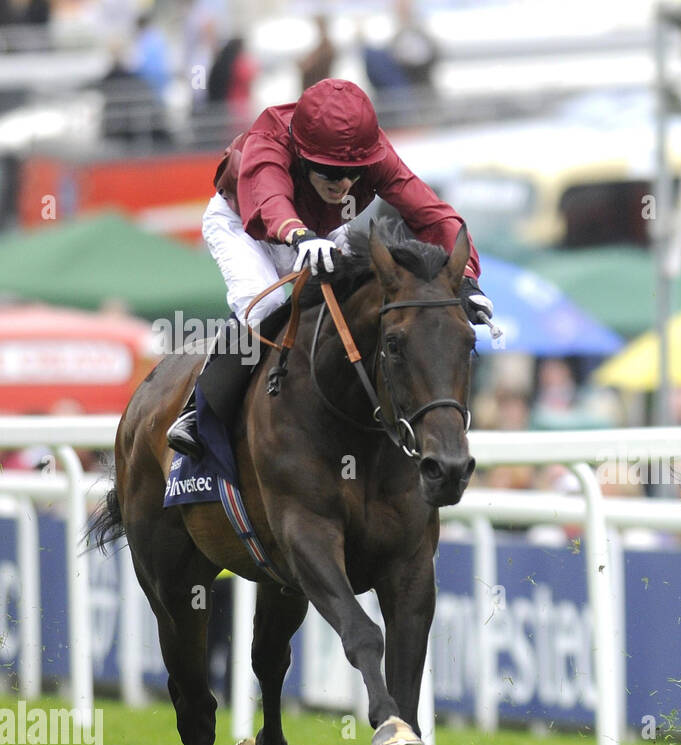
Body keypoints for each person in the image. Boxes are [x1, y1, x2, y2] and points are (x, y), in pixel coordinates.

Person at [167, 77, 492, 459]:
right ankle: (198, 409)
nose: (344, 183)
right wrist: (299, 235)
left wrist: (467, 278)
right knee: (264, 307)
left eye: (353, 173)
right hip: (245, 223)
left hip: (318, 230)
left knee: (356, 302)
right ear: (302, 157)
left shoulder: (374, 154)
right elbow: (270, 201)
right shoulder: (268, 141)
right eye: (330, 172)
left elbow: (434, 216)